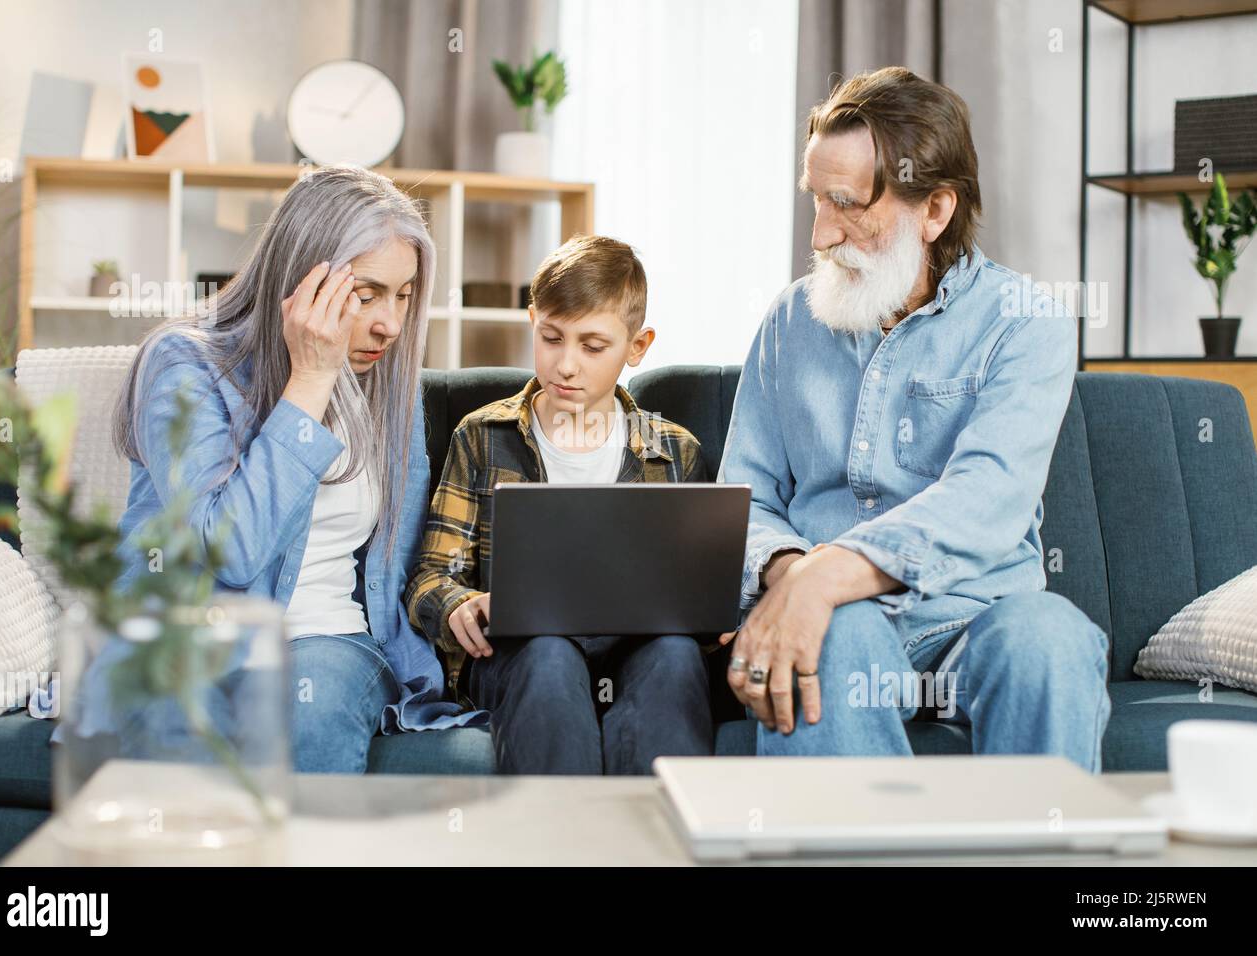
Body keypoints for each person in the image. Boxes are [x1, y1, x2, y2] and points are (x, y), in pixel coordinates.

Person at [719, 67, 1111, 770]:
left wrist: (830, 571)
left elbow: (986, 501)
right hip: (837, 618)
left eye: (847, 204)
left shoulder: (1026, 323)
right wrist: (791, 572)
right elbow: (744, 498)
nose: (820, 234)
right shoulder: (789, 320)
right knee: (836, 634)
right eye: (815, 199)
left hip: (976, 612)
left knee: (1052, 640)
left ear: (935, 211)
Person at [109, 163, 484, 773]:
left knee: (307, 708)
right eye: (366, 295)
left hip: (328, 639)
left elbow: (405, 554)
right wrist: (310, 379)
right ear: (302, 278)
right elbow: (229, 548)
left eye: (405, 295)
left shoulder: (388, 386)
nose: (390, 323)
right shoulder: (185, 364)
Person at [406, 235, 713, 774]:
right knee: (547, 653)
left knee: (675, 654)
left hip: (637, 653)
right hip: (525, 655)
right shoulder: (482, 436)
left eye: (593, 347)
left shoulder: (675, 452)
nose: (566, 364)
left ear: (637, 347)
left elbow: (702, 598)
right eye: (551, 338)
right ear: (532, 323)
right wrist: (459, 604)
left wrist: (717, 615)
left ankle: (658, 845)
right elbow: (431, 575)